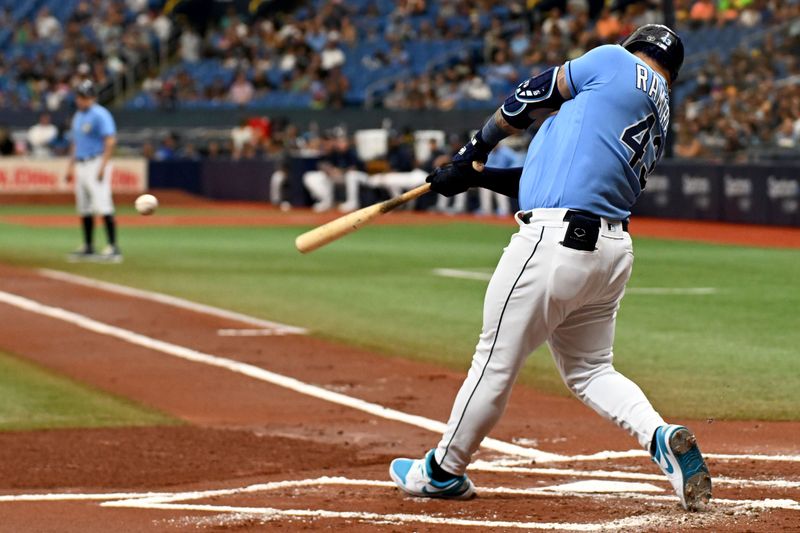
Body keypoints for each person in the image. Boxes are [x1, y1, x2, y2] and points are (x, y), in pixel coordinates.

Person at [389, 25, 712, 512]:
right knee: (590, 369)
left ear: (634, 47)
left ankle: (442, 471)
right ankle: (660, 436)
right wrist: (473, 179)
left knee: (494, 359)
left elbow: (529, 94)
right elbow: (547, 175)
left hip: (552, 242)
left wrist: (475, 147)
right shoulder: (660, 109)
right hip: (609, 250)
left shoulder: (614, 61)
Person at [66, 80, 121, 263]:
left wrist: (103, 166)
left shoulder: (100, 114)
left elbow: (110, 140)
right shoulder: (78, 116)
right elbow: (76, 143)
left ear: (93, 97)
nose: (83, 100)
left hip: (96, 162)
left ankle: (113, 247)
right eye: (81, 96)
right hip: (81, 163)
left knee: (103, 204)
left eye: (86, 97)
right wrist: (70, 166)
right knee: (84, 207)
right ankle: (88, 246)